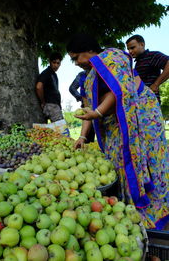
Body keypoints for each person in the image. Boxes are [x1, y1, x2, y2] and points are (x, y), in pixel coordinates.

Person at [66, 33, 169, 230]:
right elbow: (88, 108)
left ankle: (155, 211)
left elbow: (120, 90)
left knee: (149, 159)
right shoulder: (88, 78)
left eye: (76, 57)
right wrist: (81, 136)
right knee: (118, 161)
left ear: (88, 49)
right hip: (116, 123)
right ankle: (130, 208)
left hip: (141, 116)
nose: (76, 63)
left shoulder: (113, 57)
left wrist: (98, 112)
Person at [126, 34, 169, 103]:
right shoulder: (137, 63)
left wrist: (156, 84)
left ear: (142, 45)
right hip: (140, 102)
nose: (130, 51)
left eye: (132, 48)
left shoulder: (152, 55)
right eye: (128, 49)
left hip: (151, 102)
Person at [36, 52, 63, 123]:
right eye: (54, 62)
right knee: (62, 130)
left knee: (56, 131)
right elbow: (39, 87)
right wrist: (43, 101)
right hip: (51, 105)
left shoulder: (53, 74)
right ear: (50, 62)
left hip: (54, 105)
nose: (56, 65)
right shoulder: (47, 73)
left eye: (58, 63)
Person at [69, 70, 95, 143]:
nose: (76, 63)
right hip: (90, 108)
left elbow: (72, 88)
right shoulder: (82, 76)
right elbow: (72, 88)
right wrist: (82, 136)